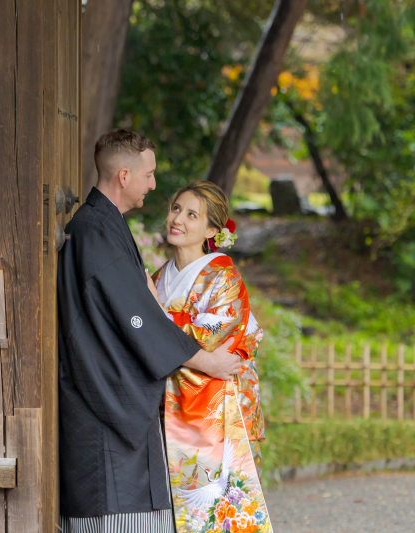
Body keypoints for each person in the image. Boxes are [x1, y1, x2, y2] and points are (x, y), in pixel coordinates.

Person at [57, 130, 242, 533]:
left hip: (136, 398)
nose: (154, 185)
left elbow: (143, 314)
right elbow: (135, 318)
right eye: (149, 174)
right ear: (124, 175)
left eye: (191, 214)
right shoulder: (96, 230)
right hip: (107, 395)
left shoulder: (104, 225)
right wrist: (206, 359)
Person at [150, 181, 272, 533]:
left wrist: (155, 313)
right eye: (176, 209)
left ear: (211, 230)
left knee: (223, 512)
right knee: (178, 514)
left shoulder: (223, 276)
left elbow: (207, 339)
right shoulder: (160, 278)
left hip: (219, 410)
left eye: (192, 214)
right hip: (170, 407)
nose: (178, 219)